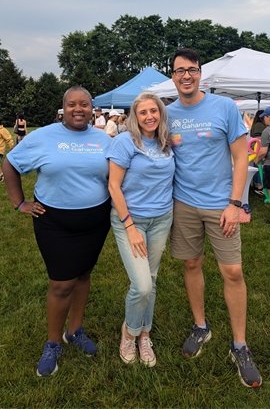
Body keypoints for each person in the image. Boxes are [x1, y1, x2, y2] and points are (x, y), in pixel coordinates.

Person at [166, 48, 262, 389]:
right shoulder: (167, 114)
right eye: (180, 71)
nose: (186, 76)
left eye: (191, 70)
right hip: (184, 205)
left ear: (200, 73)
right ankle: (201, 326)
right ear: (173, 76)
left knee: (232, 271)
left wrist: (235, 203)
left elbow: (240, 159)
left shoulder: (224, 107)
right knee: (191, 265)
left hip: (222, 204)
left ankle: (240, 345)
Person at [3, 86, 112, 377]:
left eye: (85, 104)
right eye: (72, 104)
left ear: (92, 108)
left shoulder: (104, 139)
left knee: (84, 275)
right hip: (55, 223)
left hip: (96, 221)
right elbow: (10, 163)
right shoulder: (43, 137)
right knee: (62, 283)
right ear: (63, 109)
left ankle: (75, 330)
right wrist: (19, 203)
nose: (79, 109)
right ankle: (53, 342)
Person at [107, 92, 175, 368]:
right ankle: (129, 332)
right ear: (135, 116)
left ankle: (145, 333)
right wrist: (130, 226)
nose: (149, 116)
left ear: (161, 113)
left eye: (154, 111)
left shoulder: (166, 142)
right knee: (142, 284)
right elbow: (114, 186)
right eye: (143, 112)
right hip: (130, 220)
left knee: (153, 278)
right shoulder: (125, 142)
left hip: (162, 218)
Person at [249, 110, 266, 195]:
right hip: (258, 148)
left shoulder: (255, 124)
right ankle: (259, 187)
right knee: (259, 167)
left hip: (254, 148)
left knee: (256, 167)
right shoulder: (259, 125)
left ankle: (256, 185)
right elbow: (258, 138)